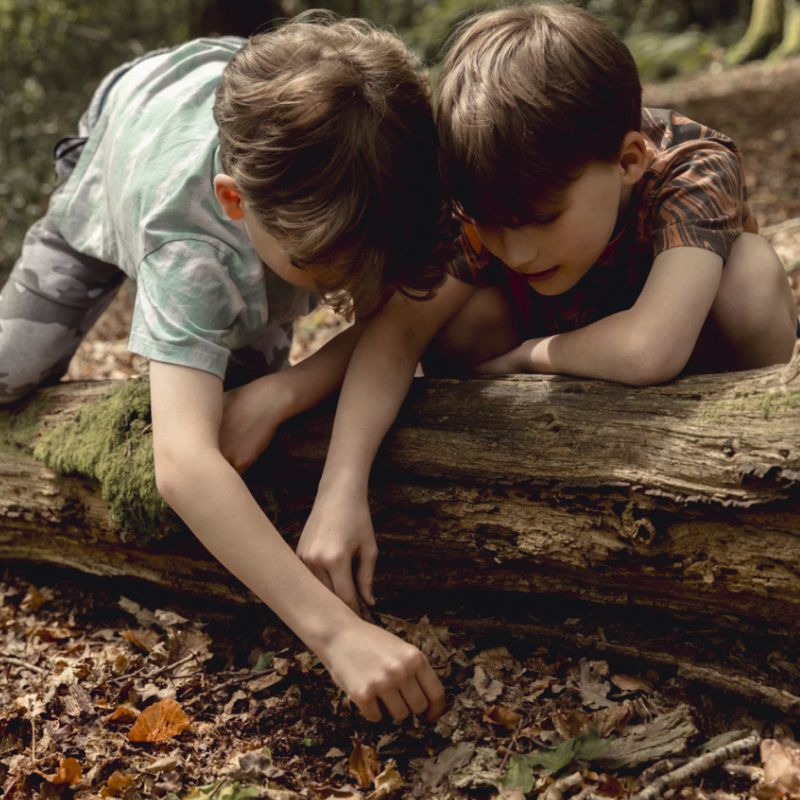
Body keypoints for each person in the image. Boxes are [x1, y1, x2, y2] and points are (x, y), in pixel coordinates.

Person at [0, 14, 447, 723]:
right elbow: (182, 464)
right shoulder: (191, 254)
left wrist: (284, 390)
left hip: (225, 110)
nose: (353, 284)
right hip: (123, 137)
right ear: (236, 201)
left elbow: (408, 316)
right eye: (321, 266)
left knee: (246, 409)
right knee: (12, 365)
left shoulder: (383, 145)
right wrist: (336, 635)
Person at [298, 4, 798, 614]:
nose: (520, 249)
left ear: (629, 161)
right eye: (494, 226)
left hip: (693, 368)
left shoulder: (690, 167)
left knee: (750, 273)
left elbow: (651, 348)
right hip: (561, 389)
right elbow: (395, 332)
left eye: (543, 219)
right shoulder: (492, 188)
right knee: (462, 314)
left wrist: (523, 359)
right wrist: (338, 487)